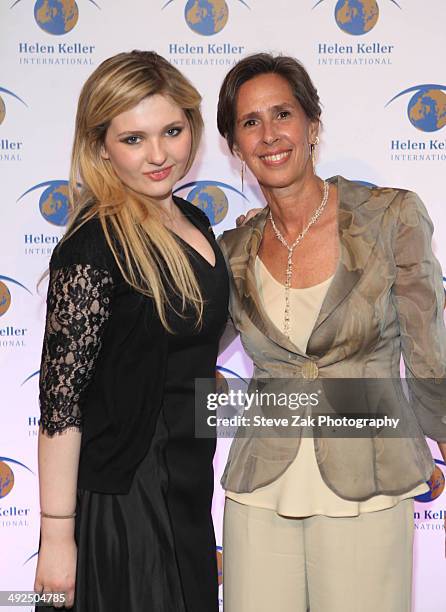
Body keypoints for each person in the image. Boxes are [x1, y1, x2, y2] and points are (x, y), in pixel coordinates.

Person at [216, 53, 446, 612]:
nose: (269, 134)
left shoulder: (389, 216)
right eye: (250, 122)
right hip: (259, 487)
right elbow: (182, 351)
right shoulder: (231, 250)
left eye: (283, 114)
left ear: (312, 125)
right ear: (235, 145)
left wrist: (439, 437)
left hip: (368, 476)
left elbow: (427, 344)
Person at [33, 50, 228, 611]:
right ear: (100, 146)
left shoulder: (194, 219)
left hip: (187, 486)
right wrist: (57, 536)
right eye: (134, 139)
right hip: (126, 493)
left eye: (171, 130)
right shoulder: (94, 246)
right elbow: (61, 406)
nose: (160, 155)